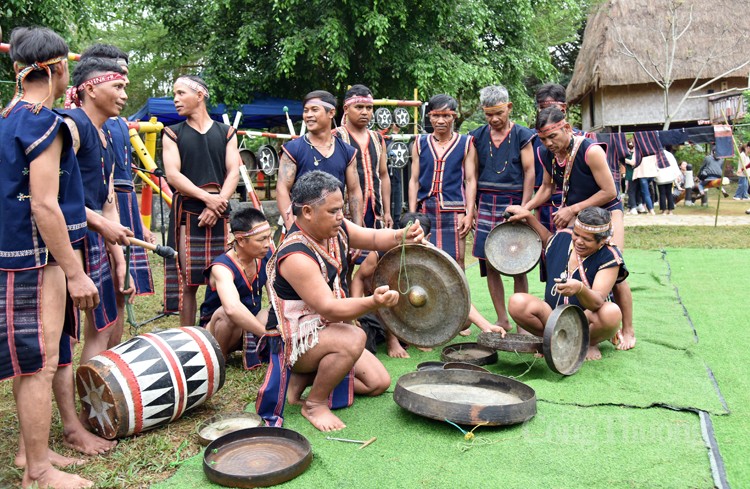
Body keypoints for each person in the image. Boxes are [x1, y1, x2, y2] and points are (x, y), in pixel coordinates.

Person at [1, 26, 99, 489]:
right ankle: (38, 471)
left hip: (18, 256)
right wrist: (76, 273)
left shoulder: (10, 117)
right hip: (34, 259)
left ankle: (32, 455)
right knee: (38, 365)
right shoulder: (44, 122)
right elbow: (44, 204)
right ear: (59, 68)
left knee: (32, 363)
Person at [260, 170, 425, 432]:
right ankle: (314, 403)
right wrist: (373, 302)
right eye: (333, 211)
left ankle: (304, 378)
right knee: (354, 338)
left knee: (378, 382)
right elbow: (330, 308)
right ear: (308, 212)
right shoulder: (296, 256)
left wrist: (401, 236)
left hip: (325, 330)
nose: (340, 217)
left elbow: (371, 237)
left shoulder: (336, 229)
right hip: (293, 341)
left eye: (342, 209)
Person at [524, 107, 635, 350]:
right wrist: (527, 208)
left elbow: (610, 191)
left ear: (566, 128)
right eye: (543, 138)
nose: (548, 143)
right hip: (576, 213)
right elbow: (546, 187)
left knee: (613, 268)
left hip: (605, 212)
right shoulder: (545, 154)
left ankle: (626, 329)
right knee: (571, 264)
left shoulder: (590, 150)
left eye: (552, 136)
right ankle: (581, 328)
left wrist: (572, 210)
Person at [78, 44, 155, 347]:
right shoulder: (81, 124)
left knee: (121, 291)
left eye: (125, 74)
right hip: (90, 212)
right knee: (97, 299)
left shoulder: (118, 124)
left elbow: (120, 180)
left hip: (117, 207)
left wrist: (137, 222)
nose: (124, 83)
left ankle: (113, 363)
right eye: (117, 76)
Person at [349, 212, 505, 358]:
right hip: (385, 306)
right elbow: (359, 278)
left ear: (427, 237)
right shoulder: (380, 254)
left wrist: (485, 325)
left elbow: (456, 293)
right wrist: (354, 313)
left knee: (465, 321)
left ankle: (416, 335)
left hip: (416, 307)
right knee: (385, 293)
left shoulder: (430, 256)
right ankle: (392, 339)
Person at [162, 75, 240, 326]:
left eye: (181, 93)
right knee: (188, 282)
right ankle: (187, 338)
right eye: (174, 94)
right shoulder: (172, 133)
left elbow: (234, 171)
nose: (175, 99)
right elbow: (173, 175)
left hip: (219, 211)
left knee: (223, 276)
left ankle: (219, 334)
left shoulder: (227, 132)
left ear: (200, 95)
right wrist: (210, 199)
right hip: (189, 211)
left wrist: (219, 204)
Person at [506, 206, 627, 361]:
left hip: (586, 320)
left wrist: (579, 289)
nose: (579, 241)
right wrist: (529, 218)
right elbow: (547, 239)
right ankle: (552, 340)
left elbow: (597, 302)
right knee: (517, 302)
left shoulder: (610, 256)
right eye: (576, 234)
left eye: (587, 239)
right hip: (551, 316)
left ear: (602, 241)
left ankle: (587, 343)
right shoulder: (564, 237)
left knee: (611, 313)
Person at [469, 85, 535, 330]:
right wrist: (471, 208)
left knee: (519, 263)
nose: (494, 119)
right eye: (488, 114)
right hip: (486, 202)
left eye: (499, 112)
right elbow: (472, 176)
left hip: (514, 203)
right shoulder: (476, 137)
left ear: (509, 107)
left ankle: (521, 322)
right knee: (489, 263)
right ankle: (502, 318)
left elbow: (530, 172)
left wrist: (525, 207)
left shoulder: (522, 135)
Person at [276, 90, 363, 231]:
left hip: (335, 229)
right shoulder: (293, 149)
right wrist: (292, 227)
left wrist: (358, 229)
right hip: (302, 228)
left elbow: (354, 192)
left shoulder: (347, 151)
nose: (308, 115)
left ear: (331, 113)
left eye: (314, 110)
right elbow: (282, 189)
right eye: (306, 111)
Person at [408, 94, 476, 268]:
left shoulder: (466, 143)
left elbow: (470, 180)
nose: (440, 120)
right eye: (436, 115)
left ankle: (461, 296)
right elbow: (414, 180)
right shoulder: (419, 142)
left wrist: (469, 214)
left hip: (455, 208)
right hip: (425, 208)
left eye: (446, 115)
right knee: (425, 258)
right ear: (429, 116)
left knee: (457, 259)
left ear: (454, 116)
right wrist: (413, 213)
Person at [200, 206, 272, 367]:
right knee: (226, 313)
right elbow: (232, 308)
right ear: (240, 240)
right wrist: (267, 333)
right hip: (219, 330)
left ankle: (260, 349)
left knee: (271, 312)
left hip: (251, 328)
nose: (267, 244)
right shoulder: (221, 267)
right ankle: (220, 358)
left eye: (269, 238)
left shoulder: (265, 257)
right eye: (261, 239)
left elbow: (275, 296)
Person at [335, 84, 392, 230]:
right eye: (359, 107)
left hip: (375, 212)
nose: (365, 112)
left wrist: (387, 212)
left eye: (369, 108)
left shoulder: (378, 139)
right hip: (344, 214)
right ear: (346, 109)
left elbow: (383, 175)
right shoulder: (335, 137)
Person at [655, 147, 680, 215]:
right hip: (669, 177)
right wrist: (677, 175)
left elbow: (654, 166)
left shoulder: (656, 155)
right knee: (669, 193)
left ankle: (663, 211)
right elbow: (674, 165)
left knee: (662, 193)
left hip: (660, 177)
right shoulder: (669, 155)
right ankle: (670, 210)